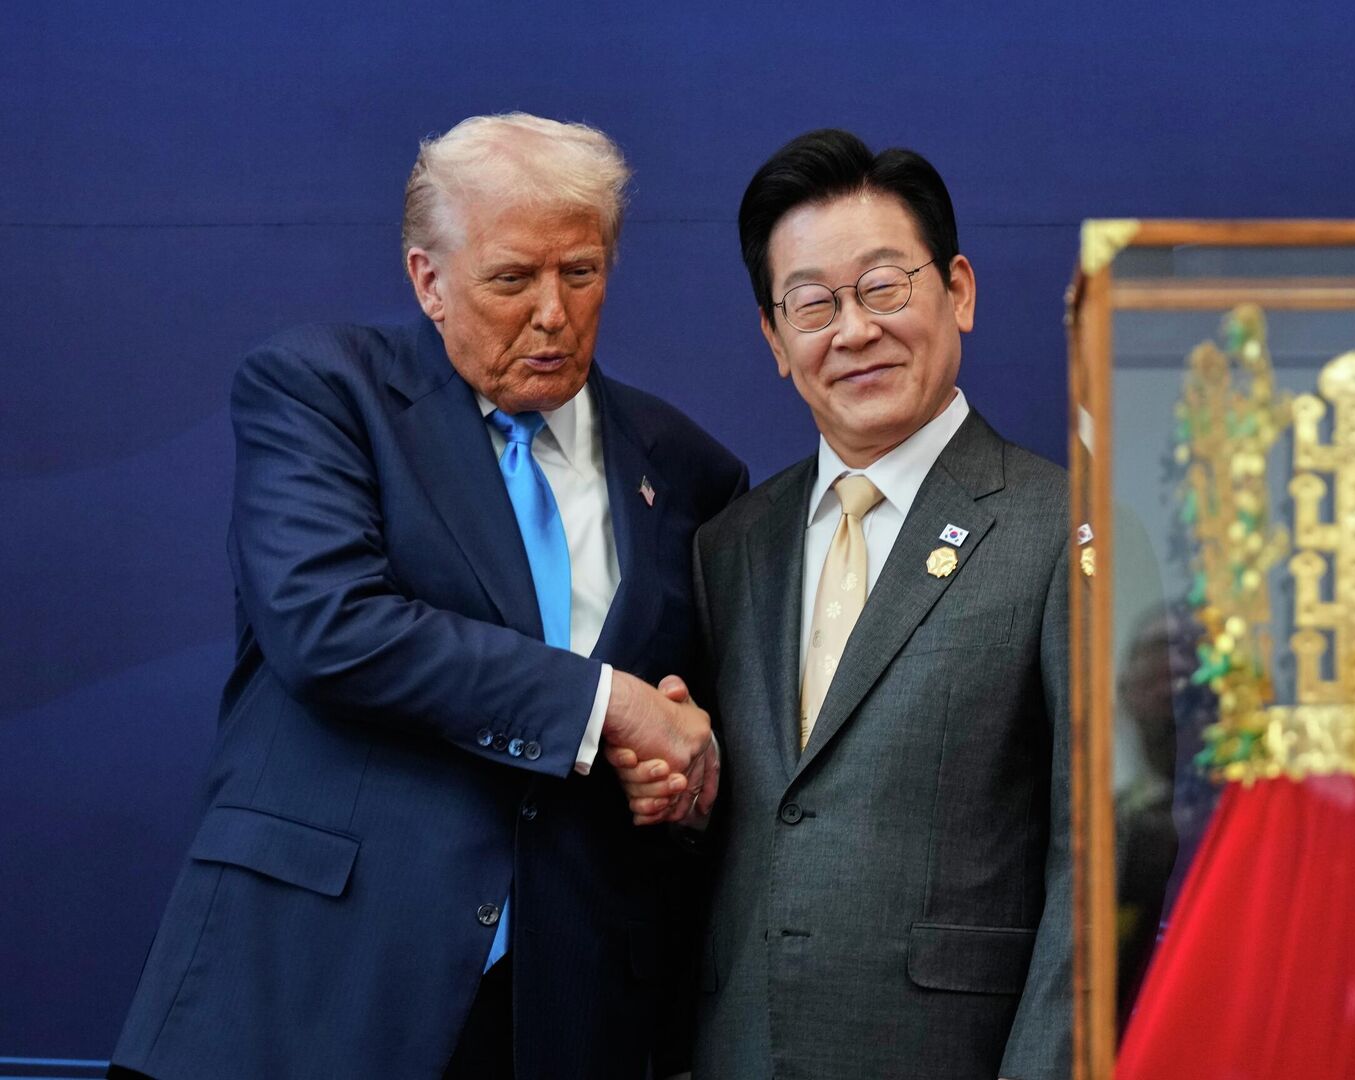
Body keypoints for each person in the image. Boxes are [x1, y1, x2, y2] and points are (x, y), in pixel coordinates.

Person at [110, 112, 744, 1080]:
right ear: (428, 280)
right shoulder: (323, 391)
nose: (553, 313)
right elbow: (330, 628)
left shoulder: (692, 470)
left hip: (560, 1016)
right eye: (512, 279)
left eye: (581, 272)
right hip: (313, 988)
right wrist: (604, 705)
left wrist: (683, 773)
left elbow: (690, 725)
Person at [681, 128, 1071, 1080]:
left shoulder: (1065, 528)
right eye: (813, 305)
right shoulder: (730, 546)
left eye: (883, 287)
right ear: (775, 341)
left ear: (959, 291)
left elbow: (1102, 861)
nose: (853, 331)